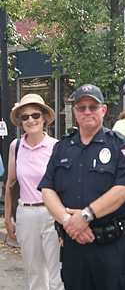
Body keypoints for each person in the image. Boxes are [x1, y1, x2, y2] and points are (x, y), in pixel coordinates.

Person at [38, 84, 125, 290]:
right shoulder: (62, 147)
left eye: (93, 107)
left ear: (103, 110)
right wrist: (69, 222)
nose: (87, 112)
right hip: (74, 244)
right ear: (74, 111)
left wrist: (85, 216)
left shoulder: (120, 145)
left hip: (111, 246)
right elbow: (47, 189)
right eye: (81, 107)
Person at [4, 94, 64, 290]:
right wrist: (7, 218)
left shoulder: (56, 146)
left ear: (44, 118)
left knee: (57, 272)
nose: (31, 120)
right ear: (21, 122)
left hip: (51, 213)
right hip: (25, 214)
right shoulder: (16, 146)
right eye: (25, 117)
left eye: (35, 115)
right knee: (34, 272)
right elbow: (11, 183)